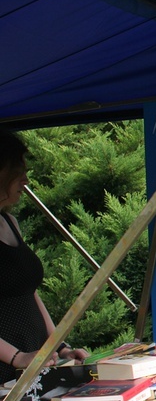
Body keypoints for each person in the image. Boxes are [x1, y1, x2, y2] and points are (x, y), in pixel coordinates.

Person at [0, 130, 88, 386]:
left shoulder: (10, 222)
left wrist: (59, 347)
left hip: (31, 363)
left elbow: (30, 291)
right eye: (19, 171)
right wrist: (17, 357)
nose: (25, 180)